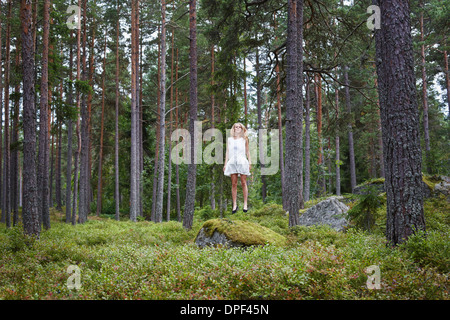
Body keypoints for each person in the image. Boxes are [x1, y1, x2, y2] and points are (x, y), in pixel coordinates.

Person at [223, 123, 251, 213]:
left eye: (239, 127)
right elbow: (227, 151)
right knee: (234, 183)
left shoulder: (244, 139)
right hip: (232, 161)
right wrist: (225, 163)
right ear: (233, 129)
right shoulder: (230, 139)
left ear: (242, 129)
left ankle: (245, 204)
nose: (237, 128)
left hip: (242, 161)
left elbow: (247, 151)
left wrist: (250, 162)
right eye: (236, 127)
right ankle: (234, 204)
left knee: (243, 182)